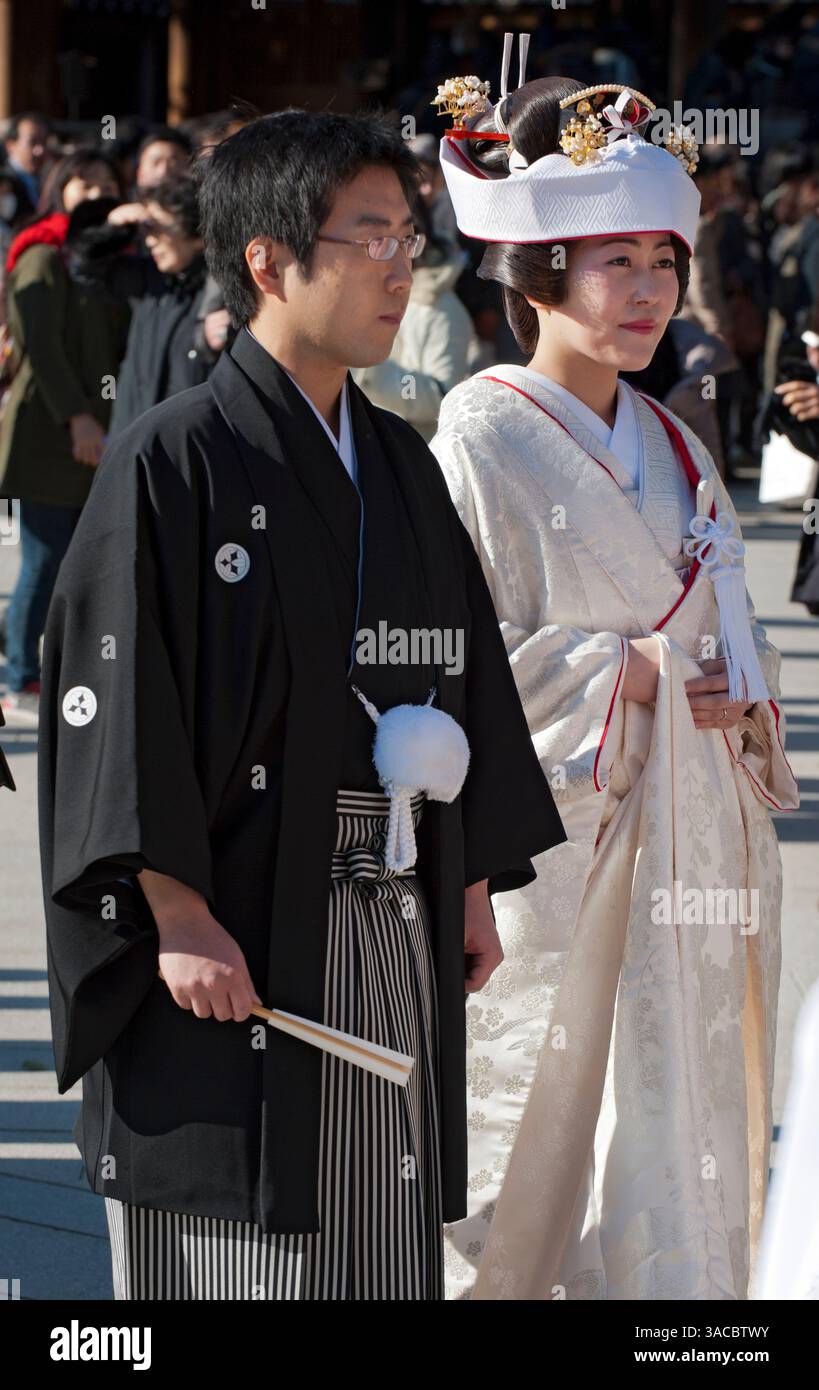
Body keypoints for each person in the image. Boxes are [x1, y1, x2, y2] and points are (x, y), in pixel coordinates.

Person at [38, 109, 565, 1302]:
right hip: (232, 907)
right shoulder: (170, 456)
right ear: (270, 260)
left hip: (392, 896)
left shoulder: (398, 462)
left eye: (408, 234)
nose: (400, 264)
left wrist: (469, 878)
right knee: (234, 1232)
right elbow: (115, 695)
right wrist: (167, 906)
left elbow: (460, 670)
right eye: (368, 235)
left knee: (376, 1220)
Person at [429, 44, 799, 1300]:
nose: (651, 293)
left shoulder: (671, 437)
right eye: (617, 262)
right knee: (561, 1114)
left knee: (682, 1116)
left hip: (696, 823)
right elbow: (464, 653)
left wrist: (739, 688)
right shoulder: (478, 428)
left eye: (665, 264)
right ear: (539, 270)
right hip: (572, 840)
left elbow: (730, 616)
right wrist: (636, 668)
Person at [0, 149, 128, 726]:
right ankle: (18, 672)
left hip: (102, 428)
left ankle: (34, 654)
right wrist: (77, 416)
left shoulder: (116, 259)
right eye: (83, 181)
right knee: (45, 557)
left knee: (80, 559)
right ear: (59, 189)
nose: (96, 190)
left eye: (106, 181)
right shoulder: (43, 252)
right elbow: (43, 350)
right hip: (48, 431)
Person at [85, 175, 212, 438]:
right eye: (146, 230)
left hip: (185, 448)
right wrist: (113, 230)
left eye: (159, 228)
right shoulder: (149, 278)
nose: (151, 240)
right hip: (130, 438)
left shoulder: (221, 294)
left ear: (197, 235)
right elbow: (86, 270)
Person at [351, 197, 478, 441]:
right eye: (377, 241)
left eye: (405, 239)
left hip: (415, 452)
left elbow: (442, 399)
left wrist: (370, 371)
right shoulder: (373, 293)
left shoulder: (443, 310)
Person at [3, 112, 49, 210]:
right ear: (10, 145)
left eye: (43, 142)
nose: (40, 150)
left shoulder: (49, 180)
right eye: (32, 142)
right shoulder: (4, 183)